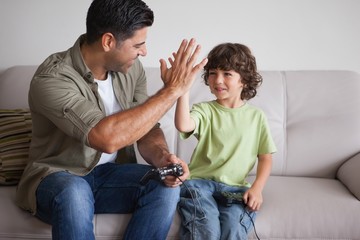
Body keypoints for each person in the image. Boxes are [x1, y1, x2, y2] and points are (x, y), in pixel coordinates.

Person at [15, 0, 207, 239]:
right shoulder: (52, 78)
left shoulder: (131, 69)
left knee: (165, 184)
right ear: (108, 41)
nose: (144, 51)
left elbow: (146, 128)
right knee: (74, 192)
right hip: (58, 176)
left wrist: (163, 158)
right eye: (138, 44)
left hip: (111, 175)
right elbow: (105, 138)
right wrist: (172, 91)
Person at [174, 43, 277, 240]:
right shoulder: (205, 110)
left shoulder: (256, 117)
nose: (217, 80)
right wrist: (183, 90)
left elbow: (265, 158)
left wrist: (257, 188)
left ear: (244, 80)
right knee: (206, 230)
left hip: (236, 190)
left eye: (227, 74)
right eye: (213, 73)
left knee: (234, 229)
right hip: (199, 185)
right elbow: (183, 124)